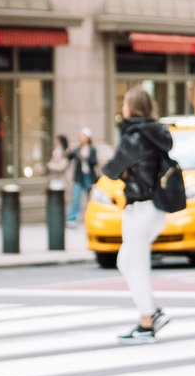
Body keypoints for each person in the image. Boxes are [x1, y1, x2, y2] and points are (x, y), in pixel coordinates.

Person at [101, 86, 177, 342]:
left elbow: (112, 169)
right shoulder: (156, 133)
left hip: (140, 208)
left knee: (138, 266)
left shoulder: (135, 135)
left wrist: (123, 170)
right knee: (126, 262)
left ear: (131, 107)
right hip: (155, 208)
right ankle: (153, 311)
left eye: (125, 103)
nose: (122, 107)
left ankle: (146, 323)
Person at [71, 129, 100, 221]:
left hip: (89, 176)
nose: (81, 138)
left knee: (91, 198)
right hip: (79, 176)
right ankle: (72, 218)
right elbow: (69, 156)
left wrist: (85, 157)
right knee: (76, 198)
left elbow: (94, 162)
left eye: (83, 136)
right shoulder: (78, 148)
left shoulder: (92, 149)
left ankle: (91, 217)